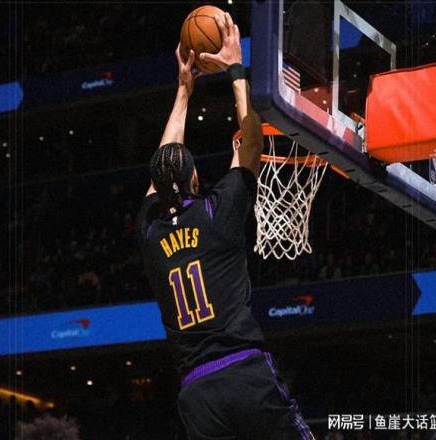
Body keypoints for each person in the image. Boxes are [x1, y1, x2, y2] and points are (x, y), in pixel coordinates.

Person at [137, 12, 313, 440]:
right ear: (196, 180)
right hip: (243, 372)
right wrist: (236, 67)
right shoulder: (217, 212)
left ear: (156, 187)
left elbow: (164, 164)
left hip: (196, 393)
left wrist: (183, 91)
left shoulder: (150, 232)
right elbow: (251, 140)